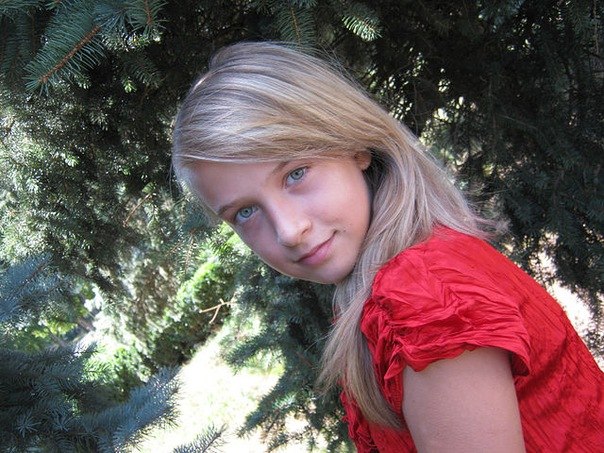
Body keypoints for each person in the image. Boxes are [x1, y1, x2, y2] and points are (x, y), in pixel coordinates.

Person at [172, 41, 604, 452]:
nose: (288, 230)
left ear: (355, 146)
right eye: (245, 212)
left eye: (296, 173)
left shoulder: (424, 298)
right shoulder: (389, 284)